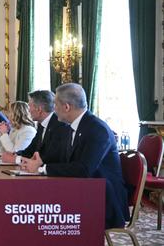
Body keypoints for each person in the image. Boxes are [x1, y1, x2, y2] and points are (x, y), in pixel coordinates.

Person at [21, 83, 129, 229]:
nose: (53, 109)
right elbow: (66, 161)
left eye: (55, 104)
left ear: (66, 107)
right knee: (37, 205)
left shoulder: (97, 129)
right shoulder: (73, 126)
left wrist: (42, 169)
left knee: (45, 212)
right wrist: (41, 163)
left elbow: (84, 169)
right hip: (82, 190)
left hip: (104, 198)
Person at [1, 90, 70, 165]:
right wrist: (15, 154)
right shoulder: (42, 124)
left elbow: (48, 158)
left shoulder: (60, 125)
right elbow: (30, 151)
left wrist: (16, 159)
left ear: (39, 109)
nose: (28, 110)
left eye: (29, 106)